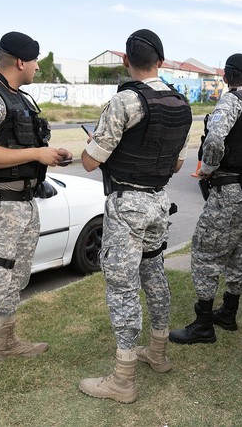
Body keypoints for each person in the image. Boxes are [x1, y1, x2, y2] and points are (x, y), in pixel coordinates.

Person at [0, 31, 73, 400]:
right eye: (36, 60)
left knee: (15, 280)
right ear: (21, 62)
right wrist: (37, 154)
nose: (38, 66)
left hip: (24, 205)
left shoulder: (20, 99)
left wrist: (49, 154)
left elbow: (19, 149)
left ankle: (6, 343)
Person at [79, 29, 192, 403]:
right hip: (159, 202)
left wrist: (91, 144)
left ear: (127, 62)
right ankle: (157, 353)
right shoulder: (181, 104)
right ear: (160, 61)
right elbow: (176, 164)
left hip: (127, 206)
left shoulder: (124, 102)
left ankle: (123, 379)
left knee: (123, 287)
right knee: (154, 275)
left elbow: (91, 161)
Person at [169, 53, 242, 345]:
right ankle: (228, 313)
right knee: (237, 251)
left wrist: (209, 169)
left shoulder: (230, 102)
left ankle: (204, 324)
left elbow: (215, 140)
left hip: (225, 192)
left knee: (205, 253)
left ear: (227, 75)